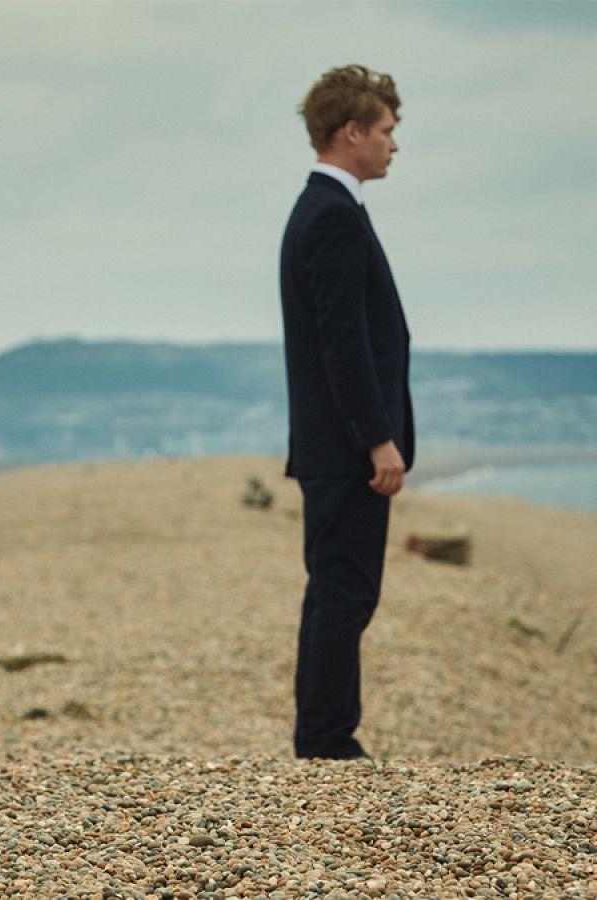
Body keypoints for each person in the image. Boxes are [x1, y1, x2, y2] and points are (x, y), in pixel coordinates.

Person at [278, 64, 414, 760]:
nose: (395, 144)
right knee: (345, 593)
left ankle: (324, 734)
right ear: (350, 131)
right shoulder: (331, 214)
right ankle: (327, 741)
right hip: (345, 449)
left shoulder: (330, 208)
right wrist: (377, 440)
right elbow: (343, 343)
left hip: (336, 446)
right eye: (387, 131)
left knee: (337, 590)